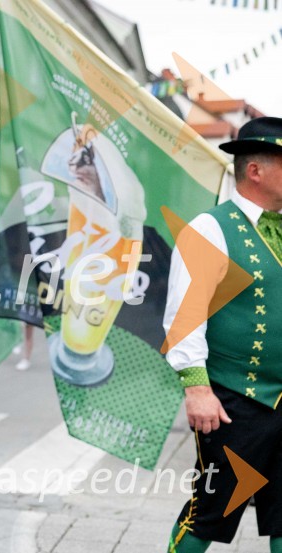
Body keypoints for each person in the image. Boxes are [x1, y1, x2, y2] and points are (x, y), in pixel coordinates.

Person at [163, 117, 282, 552]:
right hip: (234, 400)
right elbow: (184, 317)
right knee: (210, 514)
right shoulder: (210, 229)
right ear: (256, 170)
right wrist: (197, 390)